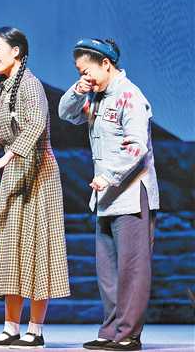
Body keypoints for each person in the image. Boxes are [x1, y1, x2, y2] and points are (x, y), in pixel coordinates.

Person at [0, 27, 69, 349]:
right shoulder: (4, 88)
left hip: (38, 174)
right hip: (14, 175)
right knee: (11, 251)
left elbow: (35, 125)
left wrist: (4, 158)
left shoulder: (30, 84)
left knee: (37, 251)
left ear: (17, 51)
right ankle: (10, 327)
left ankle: (35, 330)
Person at [59, 38, 159, 352]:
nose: (84, 76)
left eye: (86, 70)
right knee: (107, 270)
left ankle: (128, 334)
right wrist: (78, 89)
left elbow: (137, 147)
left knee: (131, 267)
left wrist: (109, 175)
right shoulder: (96, 97)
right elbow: (65, 113)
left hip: (130, 194)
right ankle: (111, 329)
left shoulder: (130, 95)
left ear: (105, 63)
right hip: (105, 196)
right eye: (79, 72)